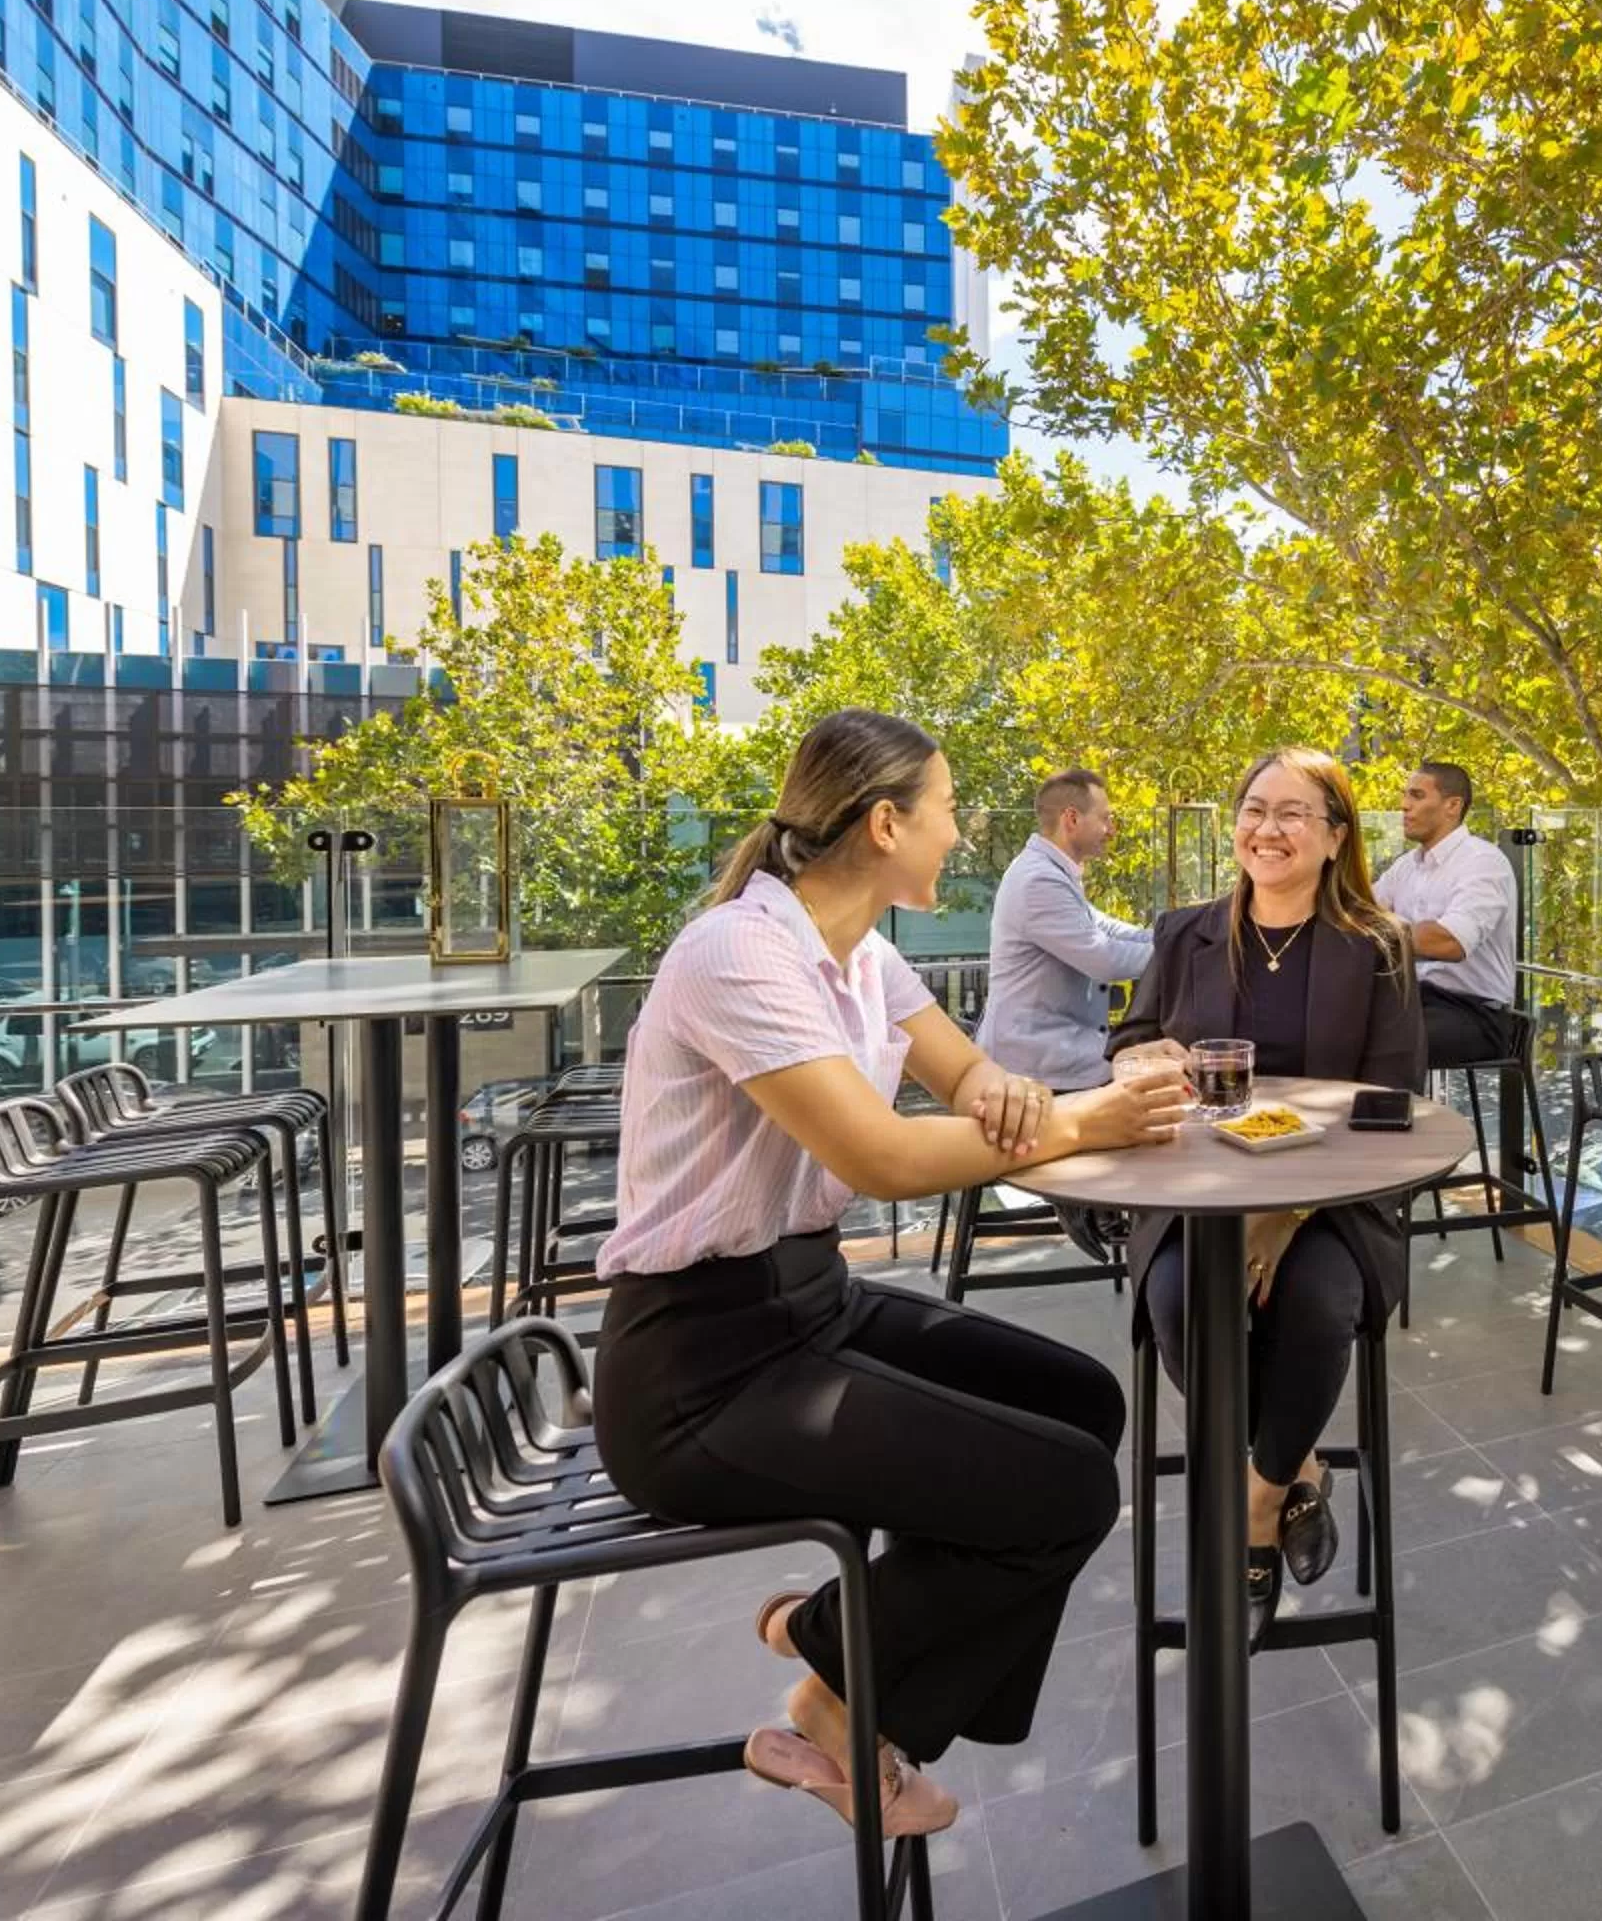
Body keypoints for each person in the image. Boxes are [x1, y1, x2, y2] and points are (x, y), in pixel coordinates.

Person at [592, 709, 1191, 1839]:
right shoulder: (739, 953)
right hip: (697, 1371)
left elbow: (970, 1075)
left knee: (1085, 1401)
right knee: (1063, 1490)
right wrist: (1083, 1119)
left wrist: (1033, 1098)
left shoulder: (864, 956)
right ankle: (836, 1692)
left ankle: (840, 1642)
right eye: (949, 807)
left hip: (809, 1307)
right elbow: (878, 1153)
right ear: (884, 821)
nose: (960, 832)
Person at [1107, 747, 1423, 1618]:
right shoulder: (1185, 932)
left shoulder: (1378, 946)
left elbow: (1393, 1103)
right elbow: (1126, 1039)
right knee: (1180, 1304)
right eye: (1254, 808)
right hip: (1195, 1193)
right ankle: (1299, 1468)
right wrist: (1142, 1053)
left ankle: (1253, 1501)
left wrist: (1284, 1215)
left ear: (1334, 838)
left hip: (1336, 1197)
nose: (1267, 829)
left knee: (1317, 1303)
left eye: (1293, 813)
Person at [976, 769, 1155, 1090]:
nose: (1111, 830)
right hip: (1033, 1069)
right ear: (1071, 819)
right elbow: (1105, 958)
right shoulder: (1038, 881)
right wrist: (1181, 953)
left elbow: (1107, 928)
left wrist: (1171, 936)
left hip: (1054, 1057)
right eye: (1105, 818)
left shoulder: (1051, 873)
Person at [1375, 761, 1523, 1068]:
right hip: (1416, 999)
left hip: (1476, 1014)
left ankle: (1399, 1117)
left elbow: (1448, 942)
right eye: (1405, 795)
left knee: (1383, 1043)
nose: (1404, 805)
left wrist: (1374, 929)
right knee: (1330, 1024)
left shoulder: (1483, 862)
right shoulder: (1407, 865)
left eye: (1416, 796)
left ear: (1452, 806)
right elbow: (1359, 910)